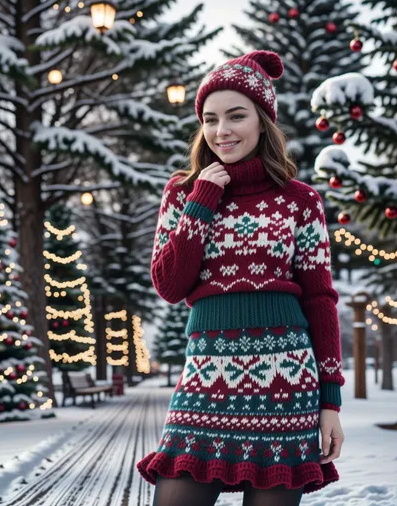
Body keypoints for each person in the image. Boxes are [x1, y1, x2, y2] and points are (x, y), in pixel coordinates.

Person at [136, 50, 345, 506]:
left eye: (236, 116)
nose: (221, 131)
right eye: (210, 119)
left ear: (263, 121)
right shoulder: (184, 192)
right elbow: (170, 285)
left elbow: (320, 299)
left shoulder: (300, 201)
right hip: (205, 380)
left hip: (285, 384)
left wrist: (330, 402)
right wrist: (204, 197)